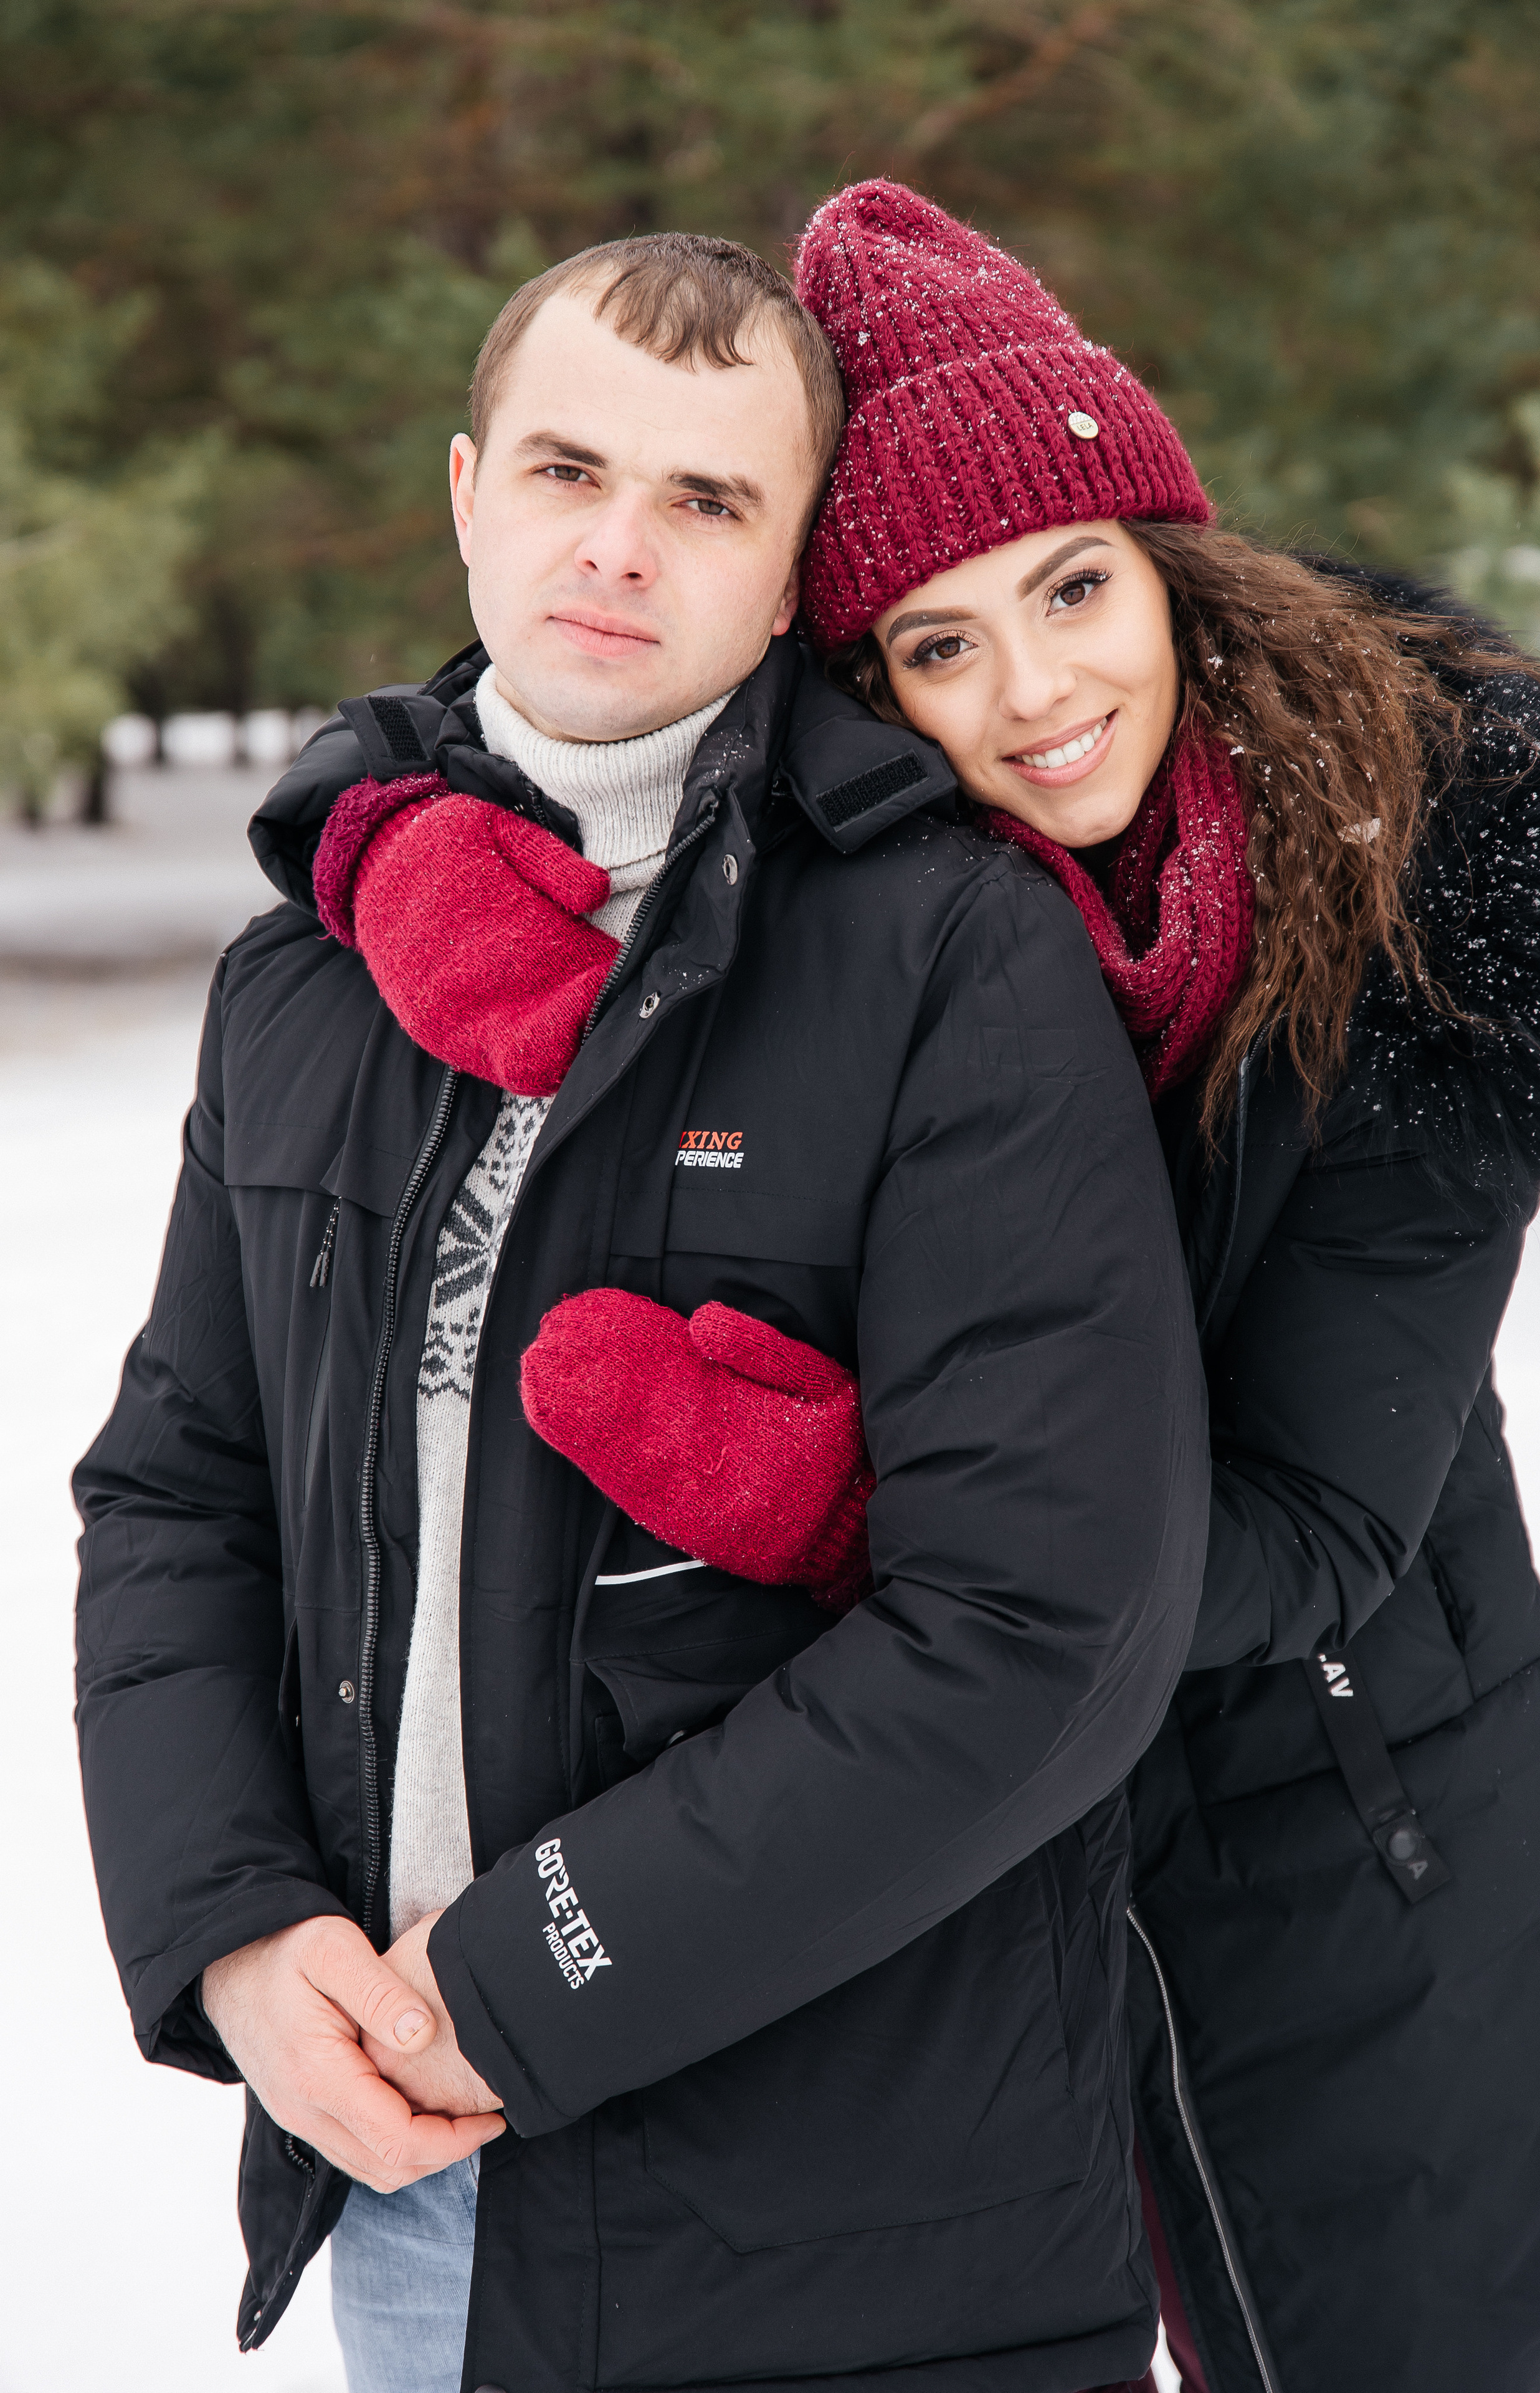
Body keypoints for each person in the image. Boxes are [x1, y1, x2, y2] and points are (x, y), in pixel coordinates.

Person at [74, 228, 1210, 2393]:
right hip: (414, 2191)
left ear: (795, 582)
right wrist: (228, 1926)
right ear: (464, 489)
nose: (619, 550)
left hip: (878, 2230)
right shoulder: (309, 973)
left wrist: (526, 1979)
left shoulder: (949, 952)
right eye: (570, 470)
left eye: (709, 501)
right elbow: (177, 1492)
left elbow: (1048, 1625)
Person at [662, 179, 1540, 2392]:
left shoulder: (1410, 895)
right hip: (998, 1874)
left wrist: (893, 1548)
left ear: (1163, 558)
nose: (1038, 692)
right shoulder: (886, 938)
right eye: (937, 641)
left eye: (1072, 589)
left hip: (1359, 1847)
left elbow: (1326, 1525)